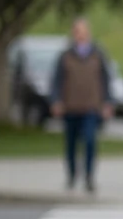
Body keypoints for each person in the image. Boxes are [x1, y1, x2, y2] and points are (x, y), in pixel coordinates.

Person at [50, 17, 116, 195]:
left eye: (83, 31)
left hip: (91, 106)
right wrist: (56, 100)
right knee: (71, 143)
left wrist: (108, 102)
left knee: (89, 140)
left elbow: (106, 79)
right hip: (71, 106)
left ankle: (89, 176)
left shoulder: (98, 54)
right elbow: (57, 80)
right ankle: (72, 174)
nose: (80, 35)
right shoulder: (66, 55)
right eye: (77, 31)